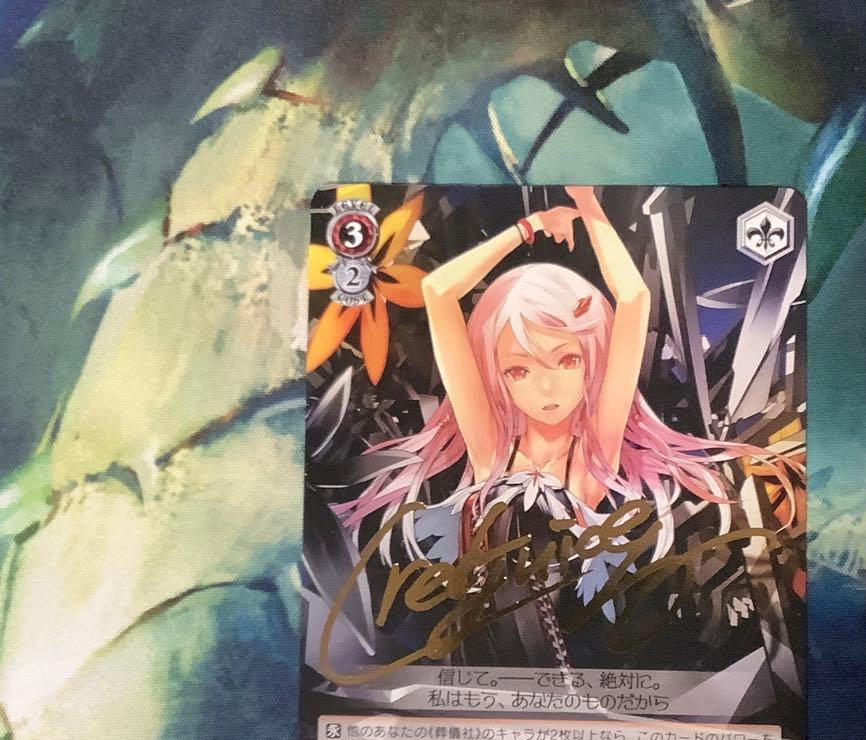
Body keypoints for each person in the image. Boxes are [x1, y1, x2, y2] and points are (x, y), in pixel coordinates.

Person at [334, 186, 793, 667]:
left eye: (567, 360)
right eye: (519, 369)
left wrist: (588, 205)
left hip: (574, 654)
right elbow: (437, 291)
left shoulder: (593, 454)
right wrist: (529, 227)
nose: (546, 386)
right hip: (478, 650)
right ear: (497, 376)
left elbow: (634, 298)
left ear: (591, 359)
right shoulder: (492, 447)